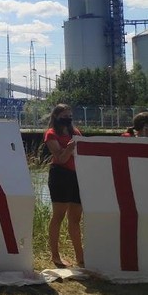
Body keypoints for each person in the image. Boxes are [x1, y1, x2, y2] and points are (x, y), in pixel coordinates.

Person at [44, 104, 84, 269]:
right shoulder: (51, 134)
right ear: (56, 116)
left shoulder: (76, 132)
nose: (68, 118)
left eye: (70, 115)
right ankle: (55, 256)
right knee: (58, 216)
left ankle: (80, 257)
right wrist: (69, 148)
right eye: (64, 115)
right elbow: (60, 158)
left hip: (77, 176)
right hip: (60, 175)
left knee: (75, 218)